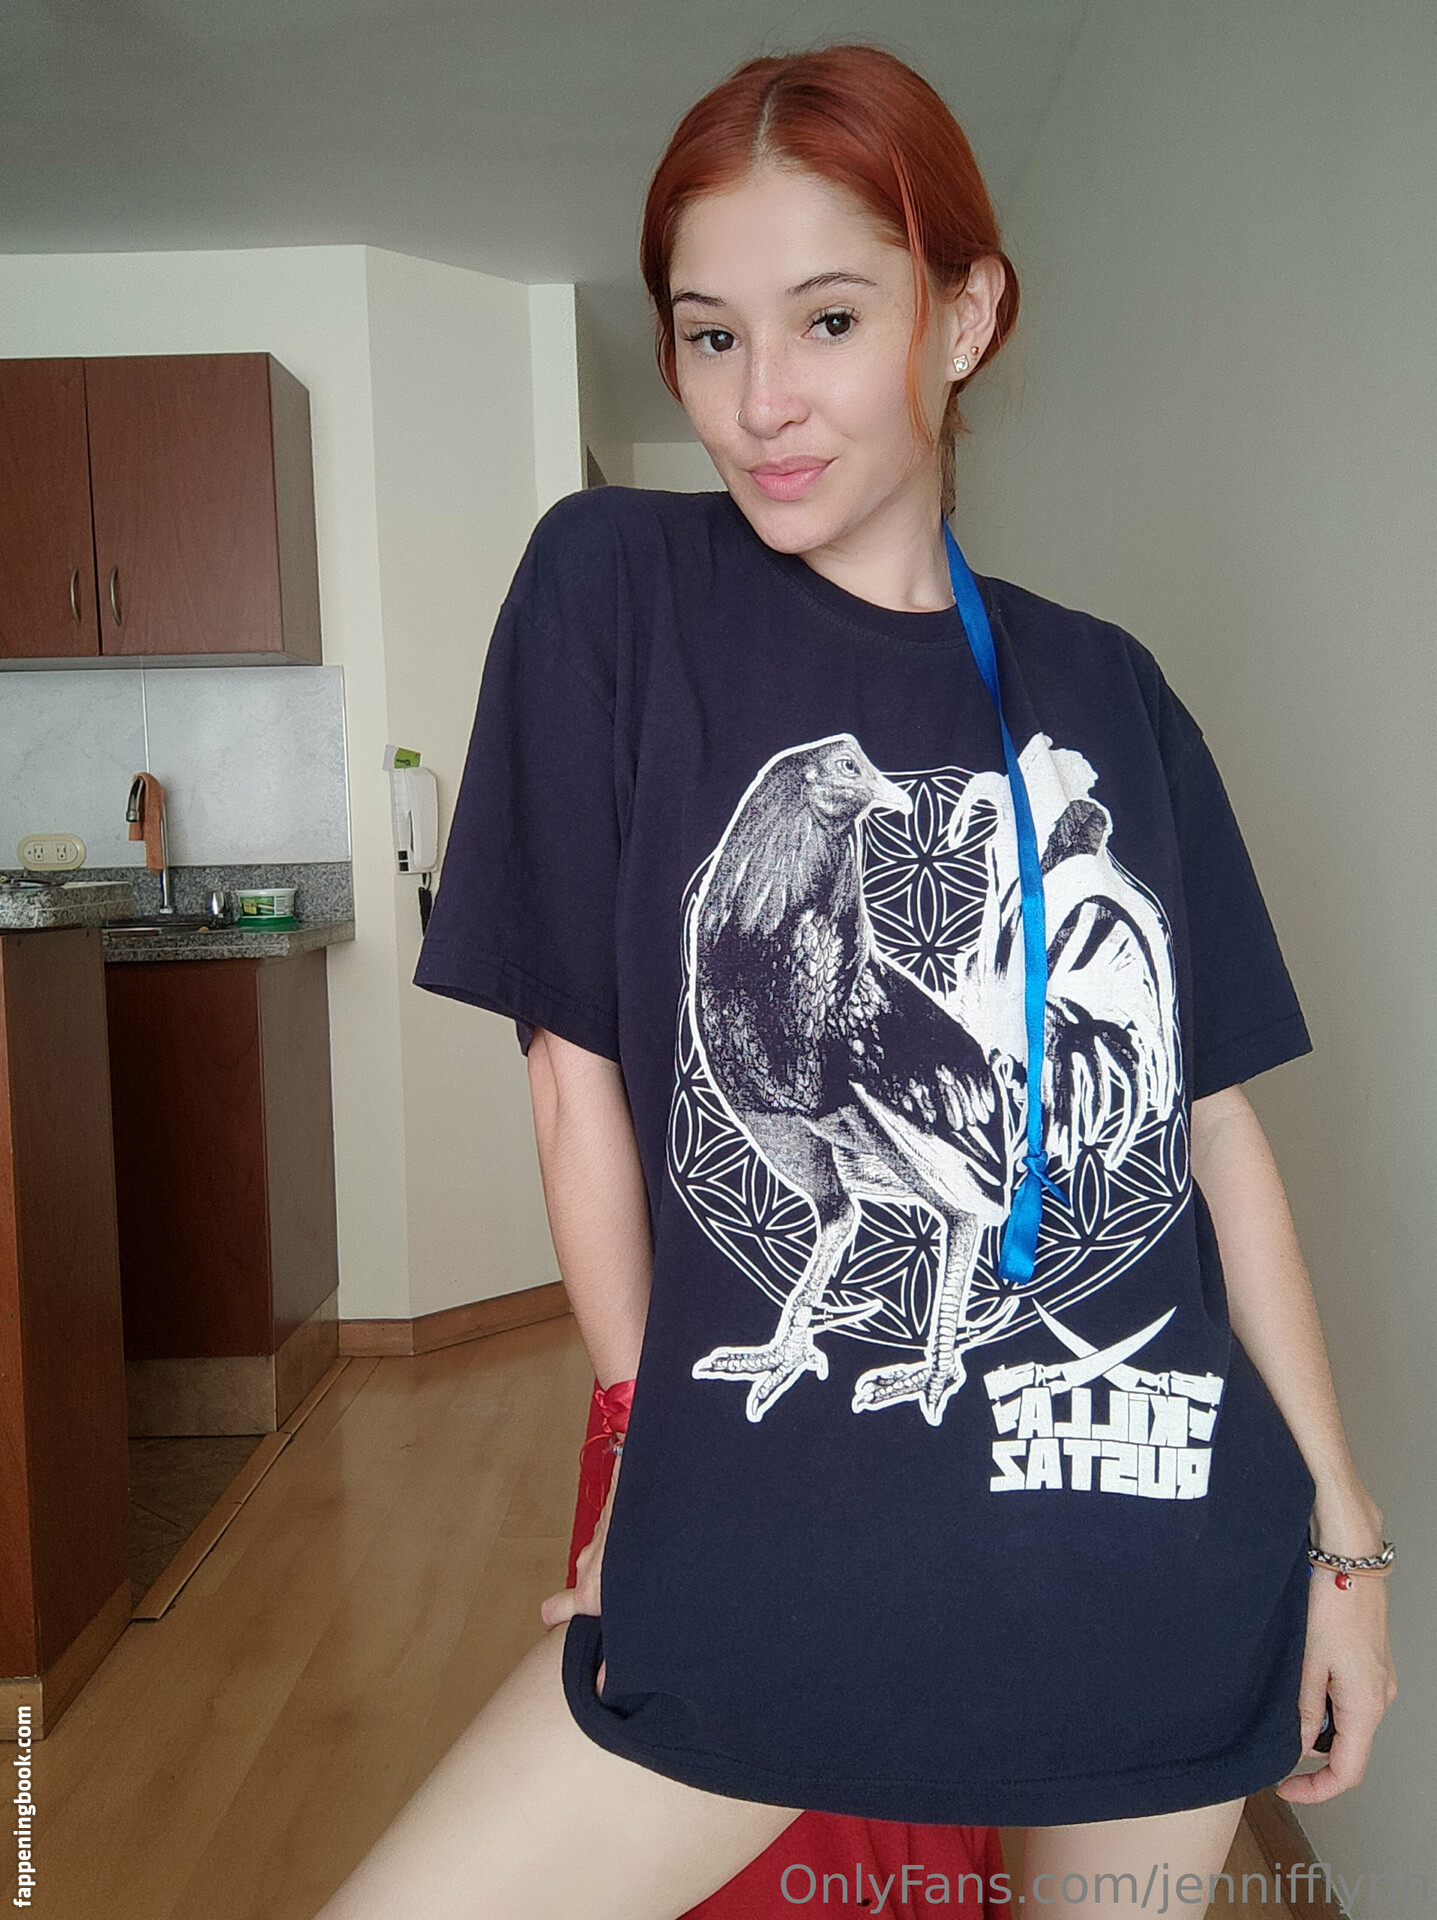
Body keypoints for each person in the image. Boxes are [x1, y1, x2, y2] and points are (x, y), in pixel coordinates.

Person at [314, 42, 1396, 1920]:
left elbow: (1212, 1131)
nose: (759, 401)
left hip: (1141, 1545)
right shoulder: (612, 587)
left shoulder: (1108, 687)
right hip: (773, 1552)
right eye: (706, 335)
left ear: (962, 316)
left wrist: (1347, 1548)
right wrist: (645, 1460)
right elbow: (574, 1077)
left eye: (827, 318)